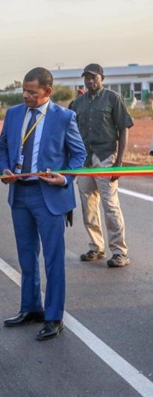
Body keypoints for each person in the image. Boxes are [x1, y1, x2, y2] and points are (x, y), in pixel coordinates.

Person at [0, 67, 86, 341]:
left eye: (32, 92)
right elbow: (1, 149)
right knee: (26, 256)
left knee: (53, 258)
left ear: (47, 92)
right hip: (20, 194)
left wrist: (65, 178)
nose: (26, 96)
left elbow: (78, 155)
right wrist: (4, 170)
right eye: (24, 90)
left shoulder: (64, 117)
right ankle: (30, 308)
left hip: (49, 195)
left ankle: (54, 316)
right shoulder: (13, 114)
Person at [70, 63, 134, 267]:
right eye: (87, 78)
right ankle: (96, 247)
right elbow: (69, 131)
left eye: (94, 77)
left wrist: (119, 161)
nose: (90, 81)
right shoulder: (77, 103)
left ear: (102, 78)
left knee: (110, 205)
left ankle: (119, 251)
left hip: (106, 156)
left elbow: (124, 128)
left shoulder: (113, 98)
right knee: (88, 205)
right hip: (84, 159)